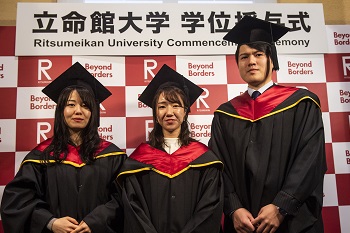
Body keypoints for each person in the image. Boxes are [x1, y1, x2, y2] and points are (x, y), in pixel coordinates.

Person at [208, 16, 326, 233]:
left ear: (272, 60)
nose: (251, 61)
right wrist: (233, 208)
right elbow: (217, 166)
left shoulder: (302, 103)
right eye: (244, 56)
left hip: (291, 221)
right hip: (244, 225)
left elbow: (311, 160)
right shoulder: (225, 115)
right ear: (238, 64)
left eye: (258, 54)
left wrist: (282, 207)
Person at [0, 62, 126, 233]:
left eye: (85, 105)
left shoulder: (112, 156)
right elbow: (18, 201)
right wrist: (51, 222)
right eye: (71, 104)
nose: (78, 111)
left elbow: (123, 199)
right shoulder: (41, 156)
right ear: (61, 110)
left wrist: (97, 220)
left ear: (94, 112)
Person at [117, 64, 224, 233]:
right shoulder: (139, 160)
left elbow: (210, 207)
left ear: (185, 112)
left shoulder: (204, 159)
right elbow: (133, 209)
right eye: (162, 106)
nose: (169, 112)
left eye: (176, 105)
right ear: (156, 114)